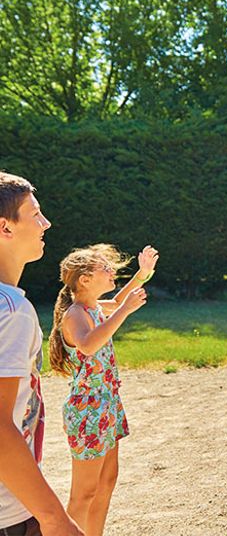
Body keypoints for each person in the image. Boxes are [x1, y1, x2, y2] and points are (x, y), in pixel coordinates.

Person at [48, 244, 158, 536]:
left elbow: (121, 300)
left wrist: (143, 273)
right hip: (88, 411)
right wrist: (123, 310)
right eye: (105, 269)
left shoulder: (93, 307)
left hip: (107, 405)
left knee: (106, 482)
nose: (112, 272)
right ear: (84, 280)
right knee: (83, 494)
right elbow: (88, 344)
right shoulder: (74, 314)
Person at [0, 172, 83, 536]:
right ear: (5, 228)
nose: (46, 223)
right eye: (35, 214)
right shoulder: (11, 311)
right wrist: (54, 518)